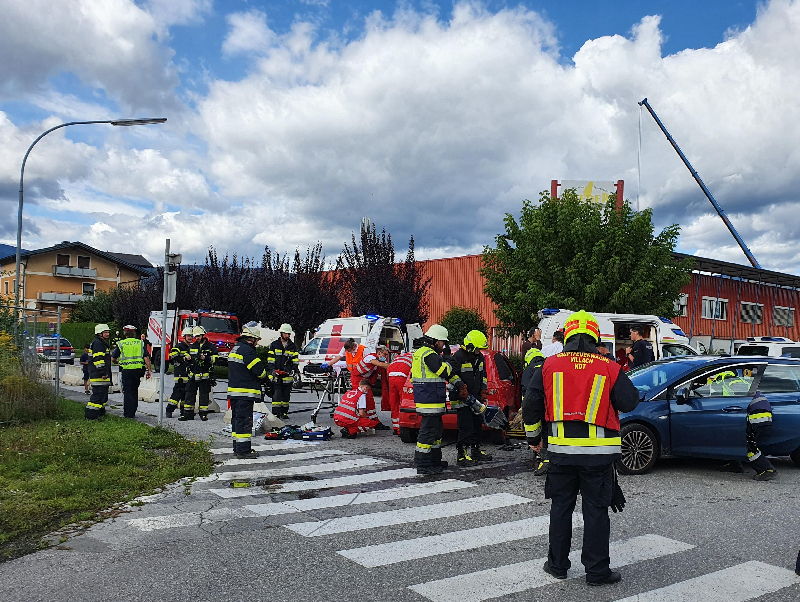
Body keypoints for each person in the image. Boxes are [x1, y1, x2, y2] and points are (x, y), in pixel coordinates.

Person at [523, 310, 640, 586]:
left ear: (567, 336)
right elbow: (630, 401)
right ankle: (597, 572)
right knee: (596, 512)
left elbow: (531, 404)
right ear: (594, 337)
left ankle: (557, 566)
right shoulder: (608, 366)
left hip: (560, 454)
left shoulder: (549, 365)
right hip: (598, 457)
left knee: (561, 508)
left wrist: (534, 438)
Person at [411, 324, 467, 475]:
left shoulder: (422, 353)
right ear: (435, 341)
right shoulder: (429, 354)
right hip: (430, 400)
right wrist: (449, 360)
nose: (443, 345)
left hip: (430, 399)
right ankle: (423, 464)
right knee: (428, 433)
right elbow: (444, 371)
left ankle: (434, 460)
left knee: (436, 433)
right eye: (443, 342)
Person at [323, 339, 391, 429]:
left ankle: (370, 420)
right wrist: (328, 364)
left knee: (367, 400)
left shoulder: (364, 350)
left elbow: (384, 365)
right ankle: (369, 421)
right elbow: (381, 365)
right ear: (379, 353)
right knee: (365, 399)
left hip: (363, 378)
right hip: (357, 378)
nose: (386, 357)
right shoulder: (370, 357)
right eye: (385, 354)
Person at [450, 330, 492, 466]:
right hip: (461, 399)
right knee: (466, 427)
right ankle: (462, 456)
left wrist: (483, 390)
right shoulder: (458, 357)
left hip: (475, 398)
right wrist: (461, 387)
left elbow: (483, 375)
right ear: (470, 346)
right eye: (478, 348)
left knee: (477, 426)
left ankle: (476, 451)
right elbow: (451, 375)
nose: (479, 351)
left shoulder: (480, 358)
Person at [227, 324, 267, 459]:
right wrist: (267, 380)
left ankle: (237, 447)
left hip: (234, 392)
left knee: (237, 420)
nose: (257, 344)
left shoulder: (236, 348)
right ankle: (244, 451)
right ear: (251, 339)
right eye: (257, 341)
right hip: (244, 393)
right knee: (244, 421)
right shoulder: (248, 351)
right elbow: (259, 371)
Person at [718, 390, 777, 480]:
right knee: (737, 440)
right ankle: (734, 464)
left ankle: (767, 470)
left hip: (757, 417)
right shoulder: (745, 386)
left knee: (749, 447)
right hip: (763, 416)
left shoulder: (731, 387)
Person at [110, 325, 152, 419]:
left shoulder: (121, 343)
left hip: (126, 370)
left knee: (127, 392)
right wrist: (149, 370)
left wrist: (117, 362)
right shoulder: (140, 343)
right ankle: (133, 411)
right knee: (134, 390)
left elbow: (113, 358)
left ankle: (128, 413)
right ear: (134, 333)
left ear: (124, 333)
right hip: (138, 370)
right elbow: (146, 358)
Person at [521, 347, 549, 476]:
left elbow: (527, 391)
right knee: (547, 430)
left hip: (535, 405)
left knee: (537, 432)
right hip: (550, 405)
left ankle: (541, 457)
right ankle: (547, 457)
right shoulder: (546, 366)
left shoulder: (529, 370)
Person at [181, 325, 217, 421]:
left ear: (203, 335)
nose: (197, 338)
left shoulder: (210, 347)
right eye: (195, 336)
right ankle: (188, 414)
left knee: (204, 395)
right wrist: (187, 358)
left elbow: (216, 359)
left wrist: (206, 358)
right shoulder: (192, 346)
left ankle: (203, 414)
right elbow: (186, 356)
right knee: (189, 394)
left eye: (198, 336)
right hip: (193, 375)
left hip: (204, 375)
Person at [267, 324, 299, 420]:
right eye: (286, 334)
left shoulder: (292, 346)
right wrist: (273, 370)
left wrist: (293, 370)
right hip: (276, 375)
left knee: (286, 395)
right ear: (281, 333)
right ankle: (276, 414)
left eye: (289, 334)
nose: (288, 336)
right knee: (276, 395)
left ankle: (284, 412)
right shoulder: (274, 345)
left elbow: (295, 360)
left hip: (287, 375)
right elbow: (270, 360)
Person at [85, 324, 112, 420]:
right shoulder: (98, 344)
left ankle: (100, 414)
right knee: (97, 397)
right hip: (99, 376)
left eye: (108, 332)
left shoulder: (100, 343)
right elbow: (98, 360)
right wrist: (103, 373)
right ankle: (91, 416)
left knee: (103, 397)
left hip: (100, 376)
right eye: (105, 332)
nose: (107, 334)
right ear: (99, 333)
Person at [166, 327, 195, 418]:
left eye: (191, 336)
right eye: (188, 336)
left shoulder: (191, 347)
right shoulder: (179, 346)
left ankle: (183, 411)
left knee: (185, 394)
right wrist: (183, 358)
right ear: (184, 337)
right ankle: (169, 410)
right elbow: (172, 355)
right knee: (178, 392)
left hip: (188, 373)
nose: (190, 338)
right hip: (180, 374)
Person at [386, 350, 413, 434]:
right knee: (402, 401)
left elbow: (390, 368)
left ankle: (395, 427)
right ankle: (401, 428)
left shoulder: (398, 357)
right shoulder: (414, 357)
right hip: (402, 377)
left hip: (391, 376)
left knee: (394, 402)